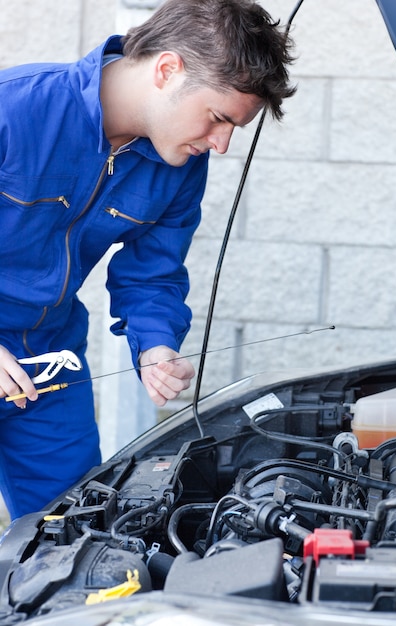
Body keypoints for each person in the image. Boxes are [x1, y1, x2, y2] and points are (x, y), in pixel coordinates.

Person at [0, 0, 295, 520]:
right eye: (217, 118)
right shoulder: (15, 109)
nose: (221, 144)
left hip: (49, 365)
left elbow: (152, 272)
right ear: (166, 70)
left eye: (234, 130)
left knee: (69, 533)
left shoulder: (179, 161)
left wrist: (155, 345)